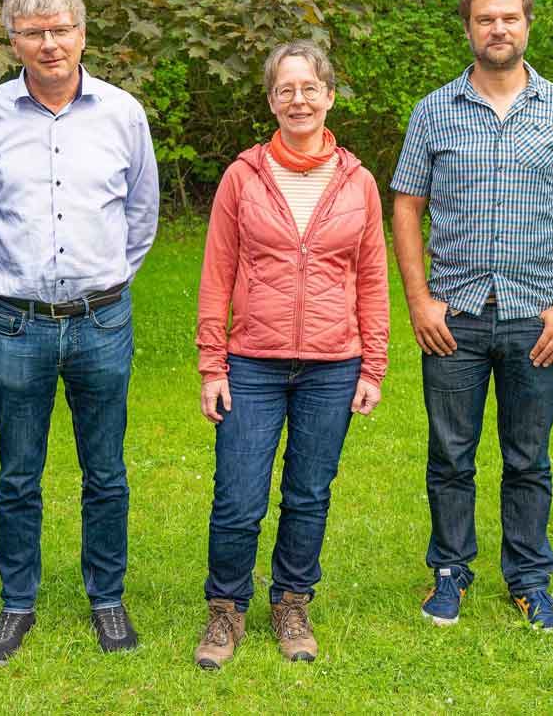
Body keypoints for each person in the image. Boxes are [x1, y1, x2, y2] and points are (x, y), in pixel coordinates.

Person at [0, 0, 159, 663]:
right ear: (12, 40)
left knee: (106, 470)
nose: (50, 44)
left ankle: (107, 597)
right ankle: (17, 602)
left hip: (102, 319)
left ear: (82, 33)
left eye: (61, 29)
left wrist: (104, 279)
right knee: (18, 471)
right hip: (16, 323)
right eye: (33, 32)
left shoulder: (122, 113)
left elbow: (141, 216)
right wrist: (2, 289)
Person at [390, 0, 553, 630]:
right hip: (452, 314)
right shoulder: (433, 110)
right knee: (450, 454)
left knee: (527, 457)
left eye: (509, 18)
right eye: (485, 19)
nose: (498, 29)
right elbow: (405, 205)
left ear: (527, 25)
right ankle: (448, 573)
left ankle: (530, 580)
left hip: (534, 314)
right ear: (469, 29)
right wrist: (418, 299)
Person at [191, 40, 389, 669]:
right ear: (271, 100)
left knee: (308, 493)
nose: (298, 100)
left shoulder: (358, 181)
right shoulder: (243, 176)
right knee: (239, 495)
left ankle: (292, 601)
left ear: (329, 95)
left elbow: (372, 277)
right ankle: (226, 608)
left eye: (310, 88)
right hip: (252, 362)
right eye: (285, 90)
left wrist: (373, 366)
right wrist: (211, 363)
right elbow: (217, 272)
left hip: (334, 365)